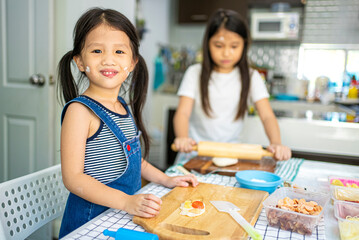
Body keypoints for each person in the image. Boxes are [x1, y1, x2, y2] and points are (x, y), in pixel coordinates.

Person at [57, 8, 198, 238]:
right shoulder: (79, 111)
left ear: (132, 63)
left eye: (119, 51)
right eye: (97, 50)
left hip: (121, 218)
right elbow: (73, 179)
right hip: (89, 225)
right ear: (80, 62)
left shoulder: (122, 106)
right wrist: (126, 201)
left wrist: (166, 179)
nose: (108, 59)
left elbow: (133, 162)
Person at [173, 9, 291, 161]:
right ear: (207, 43)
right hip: (194, 154)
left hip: (232, 156)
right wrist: (182, 138)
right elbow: (182, 113)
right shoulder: (194, 73)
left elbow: (267, 116)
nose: (227, 53)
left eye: (234, 46)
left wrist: (276, 143)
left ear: (244, 45)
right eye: (219, 45)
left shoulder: (251, 77)